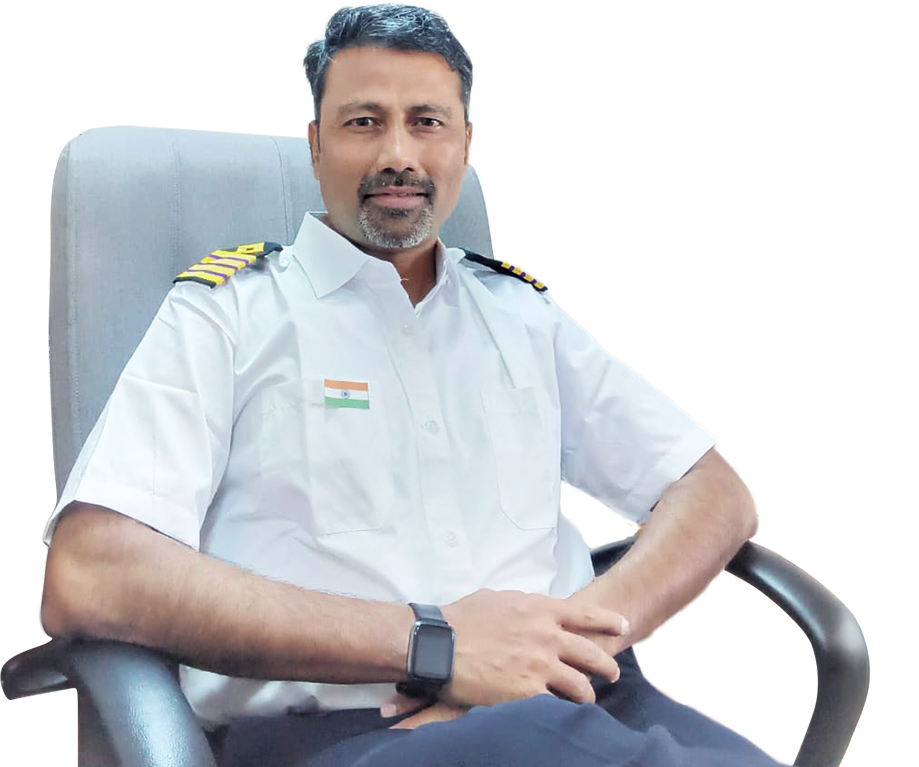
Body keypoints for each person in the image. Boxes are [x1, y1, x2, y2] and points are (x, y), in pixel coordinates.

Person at [39, 4, 779, 766]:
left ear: (464, 144)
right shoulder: (228, 315)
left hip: (581, 702)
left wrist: (556, 646)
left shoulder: (521, 317)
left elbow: (713, 490)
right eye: (363, 122)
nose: (398, 153)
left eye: (427, 122)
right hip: (358, 732)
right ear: (316, 145)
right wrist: (437, 647)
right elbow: (94, 571)